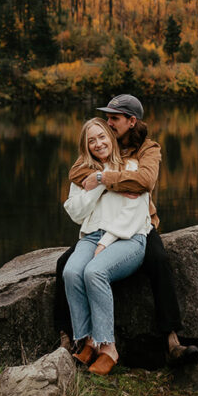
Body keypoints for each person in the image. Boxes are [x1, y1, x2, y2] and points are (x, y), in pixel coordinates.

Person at [54, 94, 198, 365]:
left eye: (114, 118)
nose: (108, 123)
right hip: (100, 224)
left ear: (131, 121)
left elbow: (144, 181)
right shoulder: (102, 141)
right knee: (66, 265)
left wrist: (103, 176)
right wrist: (109, 173)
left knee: (158, 259)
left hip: (138, 223)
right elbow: (76, 173)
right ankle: (70, 336)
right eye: (107, 117)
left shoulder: (148, 148)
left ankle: (171, 340)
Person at [62, 117, 151, 375]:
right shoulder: (84, 173)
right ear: (86, 146)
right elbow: (75, 212)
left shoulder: (130, 167)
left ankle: (108, 348)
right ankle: (88, 340)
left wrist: (106, 241)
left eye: (102, 137)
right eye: (92, 141)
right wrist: (99, 185)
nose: (98, 144)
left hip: (127, 237)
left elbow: (135, 212)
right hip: (90, 236)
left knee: (95, 272)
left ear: (111, 138)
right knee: (71, 272)